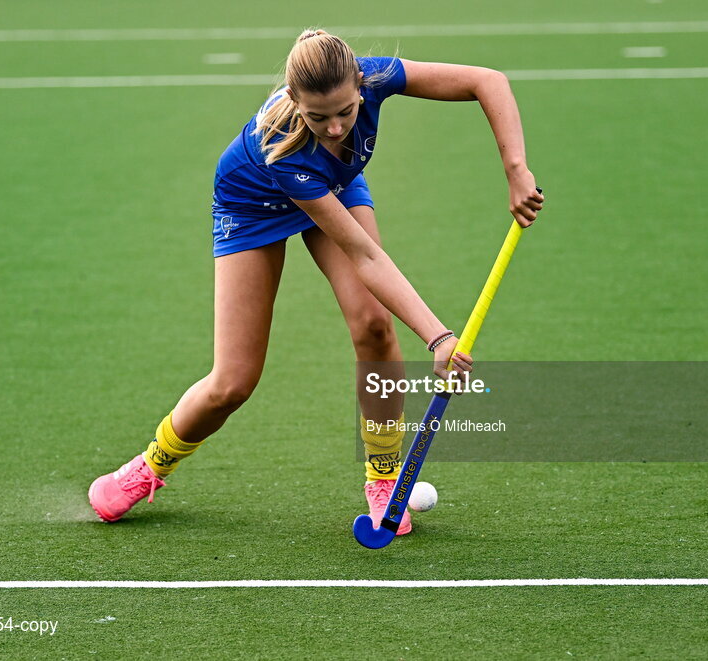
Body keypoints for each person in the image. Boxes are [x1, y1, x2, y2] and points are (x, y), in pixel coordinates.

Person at [88, 29, 543, 533]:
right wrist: (438, 336)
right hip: (253, 203)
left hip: (336, 183)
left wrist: (515, 168)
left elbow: (487, 80)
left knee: (374, 325)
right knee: (233, 382)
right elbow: (365, 256)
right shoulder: (286, 150)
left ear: (360, 85)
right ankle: (151, 464)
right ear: (292, 99)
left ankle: (384, 477)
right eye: (317, 117)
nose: (334, 128)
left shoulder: (376, 76)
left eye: (346, 112)